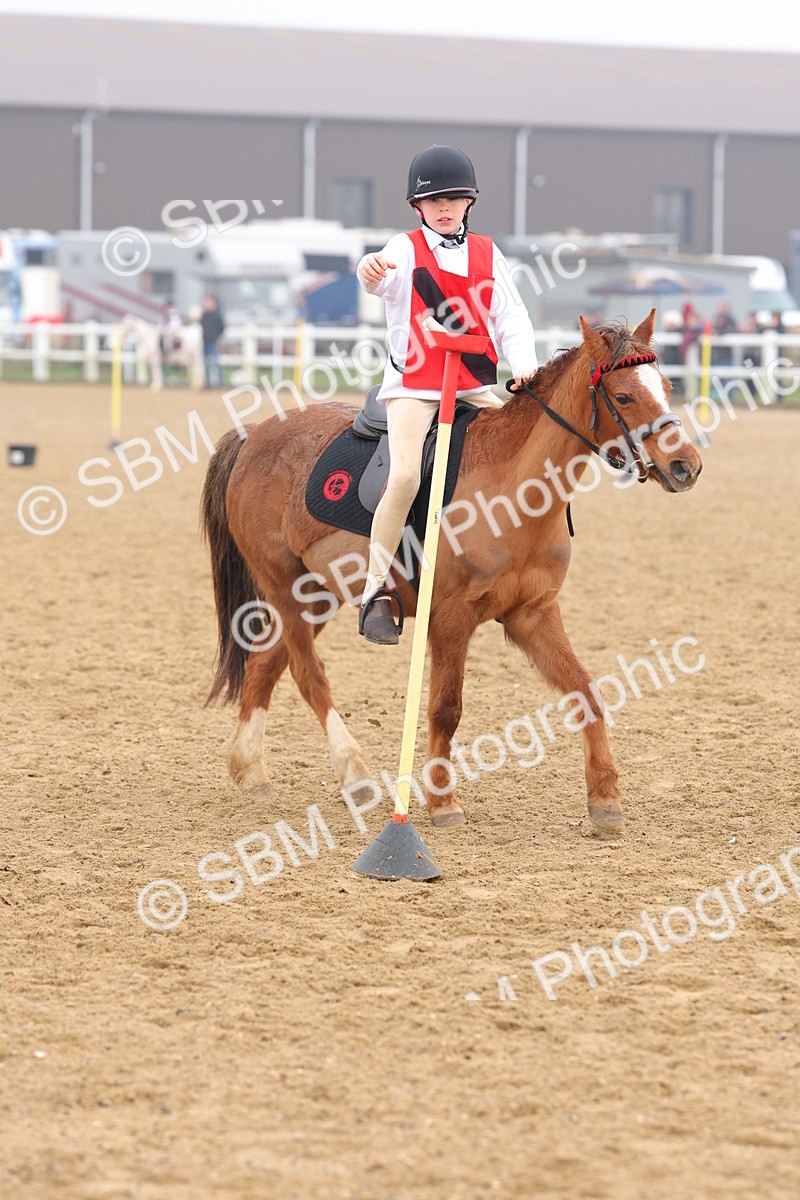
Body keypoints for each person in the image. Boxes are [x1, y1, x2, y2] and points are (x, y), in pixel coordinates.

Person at [355, 144, 539, 645]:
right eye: (433, 200)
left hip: (473, 385)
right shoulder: (403, 246)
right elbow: (381, 274)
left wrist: (524, 368)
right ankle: (375, 590)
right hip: (416, 386)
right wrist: (370, 270)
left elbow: (511, 316)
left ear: (469, 203)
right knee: (407, 475)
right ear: (418, 207)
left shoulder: (488, 252)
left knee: (530, 449)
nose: (443, 207)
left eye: (453, 199)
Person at [200, 294, 225, 388]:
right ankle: (207, 382)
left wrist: (216, 336)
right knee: (205, 362)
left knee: (215, 362)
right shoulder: (204, 316)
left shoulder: (216, 316)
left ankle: (218, 383)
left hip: (213, 342)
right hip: (204, 342)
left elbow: (221, 327)